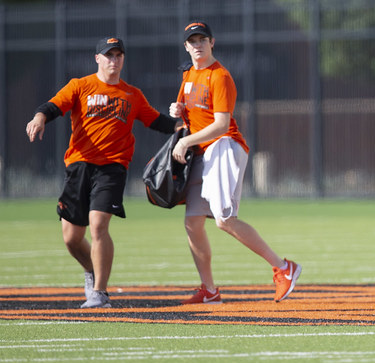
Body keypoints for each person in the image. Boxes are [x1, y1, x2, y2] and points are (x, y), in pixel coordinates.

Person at [26, 37, 178, 308]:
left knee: (98, 225)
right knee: (72, 239)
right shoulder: (80, 86)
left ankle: (99, 293)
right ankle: (91, 270)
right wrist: (39, 118)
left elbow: (157, 121)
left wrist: (183, 127)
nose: (114, 60)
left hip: (112, 168)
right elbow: (53, 106)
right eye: (108, 55)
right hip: (79, 165)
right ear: (97, 58)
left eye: (118, 55)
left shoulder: (132, 94)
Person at [169, 21, 301, 304]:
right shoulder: (189, 74)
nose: (198, 45)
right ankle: (209, 290)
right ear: (186, 46)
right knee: (193, 223)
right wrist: (177, 110)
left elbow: (221, 124)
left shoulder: (220, 76)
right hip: (201, 154)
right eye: (192, 41)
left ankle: (283, 267)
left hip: (224, 147)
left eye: (202, 39)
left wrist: (185, 142)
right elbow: (187, 111)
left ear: (212, 42)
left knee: (225, 220)